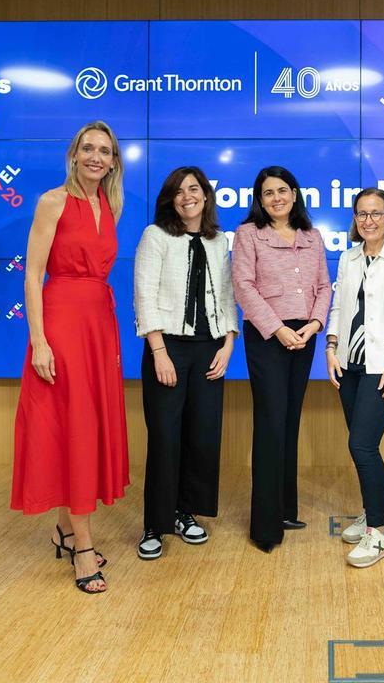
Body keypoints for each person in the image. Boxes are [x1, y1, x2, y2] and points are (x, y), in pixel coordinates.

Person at [10, 120, 128, 594]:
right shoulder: (51, 202)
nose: (96, 156)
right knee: (72, 427)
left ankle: (64, 529)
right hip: (61, 325)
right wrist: (39, 340)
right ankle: (82, 547)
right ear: (74, 154)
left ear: (114, 161)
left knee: (79, 427)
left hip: (99, 325)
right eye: (88, 148)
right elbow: (32, 275)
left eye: (105, 150)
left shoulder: (110, 205)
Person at [134, 167, 238, 560]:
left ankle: (185, 513)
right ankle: (155, 524)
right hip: (169, 348)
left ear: (206, 196)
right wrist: (159, 351)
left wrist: (228, 344)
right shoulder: (155, 236)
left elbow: (228, 297)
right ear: (169, 199)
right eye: (178, 191)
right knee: (165, 436)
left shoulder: (218, 240)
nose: (187, 196)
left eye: (194, 189)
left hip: (210, 348)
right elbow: (144, 295)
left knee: (202, 436)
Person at [232, 165, 331, 552]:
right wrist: (277, 329)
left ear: (294, 194)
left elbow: (324, 285)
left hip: (303, 335)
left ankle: (286, 508)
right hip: (268, 337)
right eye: (268, 192)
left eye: (283, 191)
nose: (276, 198)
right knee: (271, 424)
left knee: (290, 421)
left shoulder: (312, 235)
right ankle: (265, 525)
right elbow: (243, 286)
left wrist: (315, 323)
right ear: (260, 199)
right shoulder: (248, 234)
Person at [325, 188, 384, 568]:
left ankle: (380, 534)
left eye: (376, 214)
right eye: (361, 214)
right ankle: (370, 510)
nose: (368, 221)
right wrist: (331, 347)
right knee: (360, 444)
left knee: (362, 445)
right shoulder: (349, 258)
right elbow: (338, 306)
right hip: (350, 364)